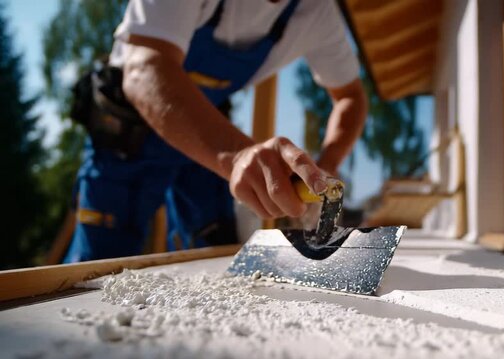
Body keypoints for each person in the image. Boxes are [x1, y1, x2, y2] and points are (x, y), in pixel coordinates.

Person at [63, 0, 368, 262]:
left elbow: (351, 98)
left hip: (205, 149)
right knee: (97, 268)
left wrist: (324, 170)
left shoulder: (317, 13)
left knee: (213, 259)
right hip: (128, 144)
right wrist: (236, 158)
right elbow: (144, 69)